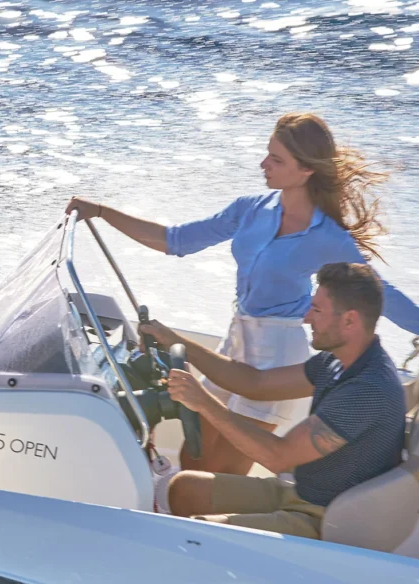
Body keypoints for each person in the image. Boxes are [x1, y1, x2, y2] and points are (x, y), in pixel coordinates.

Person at [67, 112, 419, 475]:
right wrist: (101, 212)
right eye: (268, 153)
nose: (263, 164)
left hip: (278, 353)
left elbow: (380, 294)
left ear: (306, 170)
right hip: (236, 340)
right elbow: (175, 240)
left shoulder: (328, 237)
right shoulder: (250, 209)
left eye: (276, 159)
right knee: (193, 456)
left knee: (223, 468)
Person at [138, 263, 406, 539]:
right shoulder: (336, 361)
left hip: (326, 518)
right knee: (183, 489)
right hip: (300, 491)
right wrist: (173, 341)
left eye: (317, 310)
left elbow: (278, 456)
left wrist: (203, 402)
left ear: (349, 321)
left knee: (198, 535)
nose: (307, 318)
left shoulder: (367, 389)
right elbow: (255, 383)